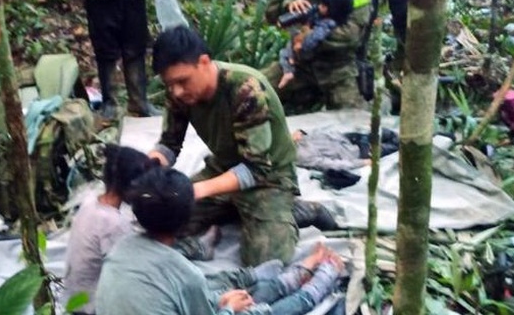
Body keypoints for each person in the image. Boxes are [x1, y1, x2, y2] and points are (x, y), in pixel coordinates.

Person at [94, 167, 345, 315]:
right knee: (254, 311)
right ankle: (314, 288)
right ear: (185, 221)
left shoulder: (122, 248)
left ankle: (287, 279)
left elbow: (195, 295)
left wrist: (224, 305)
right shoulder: (183, 274)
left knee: (234, 295)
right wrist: (226, 311)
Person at [147, 26, 300, 265]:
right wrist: (151, 164)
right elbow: (169, 143)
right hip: (223, 168)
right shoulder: (179, 92)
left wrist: (197, 190)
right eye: (169, 84)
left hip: (269, 177)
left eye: (182, 81)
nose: (176, 91)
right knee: (160, 220)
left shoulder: (245, 89)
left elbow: (256, 169)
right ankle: (233, 209)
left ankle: (295, 211)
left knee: (267, 261)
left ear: (204, 62)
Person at [265, 0, 371, 113]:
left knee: (354, 122)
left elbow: (350, 36)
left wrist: (306, 36)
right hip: (301, 65)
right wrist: (288, 4)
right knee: (255, 90)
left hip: (338, 70)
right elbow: (270, 11)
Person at [62, 144, 157, 314]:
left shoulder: (90, 201)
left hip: (73, 298)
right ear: (131, 186)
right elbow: (131, 271)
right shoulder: (114, 224)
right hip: (91, 307)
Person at [278, 0, 354, 91]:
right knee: (288, 47)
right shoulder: (320, 13)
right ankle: (289, 66)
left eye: (323, 5)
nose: (319, 7)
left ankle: (288, 71)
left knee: (284, 54)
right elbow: (311, 10)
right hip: (303, 47)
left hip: (309, 52)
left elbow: (315, 38)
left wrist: (301, 46)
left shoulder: (327, 24)